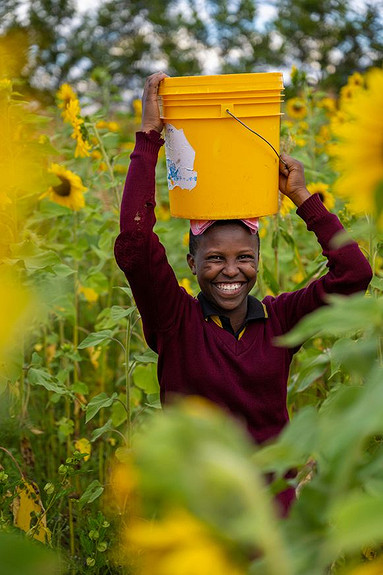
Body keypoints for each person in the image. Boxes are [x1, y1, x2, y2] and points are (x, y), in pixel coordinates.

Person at [114, 72, 372, 514]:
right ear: (192, 263)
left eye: (244, 257)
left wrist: (302, 198)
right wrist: (148, 139)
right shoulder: (175, 322)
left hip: (274, 517)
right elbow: (135, 248)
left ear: (257, 258)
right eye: (214, 258)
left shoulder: (280, 320)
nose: (230, 271)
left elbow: (354, 274)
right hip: (199, 514)